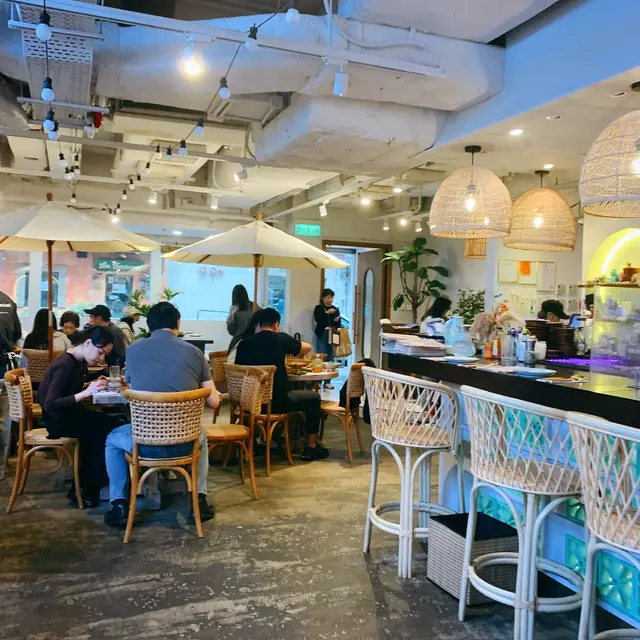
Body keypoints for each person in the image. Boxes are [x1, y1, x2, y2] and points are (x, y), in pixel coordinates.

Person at [103, 302, 220, 528]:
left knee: (112, 440)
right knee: (202, 436)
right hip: (185, 445)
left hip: (143, 445)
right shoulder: (195, 353)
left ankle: (119, 504)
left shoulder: (133, 350)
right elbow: (214, 402)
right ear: (178, 323)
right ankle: (199, 500)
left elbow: (132, 387)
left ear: (149, 325)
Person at [37, 326, 124, 507]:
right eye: (100, 352)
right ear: (88, 343)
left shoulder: (76, 360)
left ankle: (85, 487)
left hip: (68, 415)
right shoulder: (65, 365)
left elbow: (69, 388)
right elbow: (50, 403)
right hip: (58, 421)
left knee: (109, 424)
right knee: (110, 429)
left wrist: (92, 383)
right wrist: (85, 393)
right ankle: (87, 489)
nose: (101, 358)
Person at [236, 307, 329, 461]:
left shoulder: (243, 344)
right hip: (277, 402)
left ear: (259, 324)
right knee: (313, 398)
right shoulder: (280, 339)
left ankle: (252, 444)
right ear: (276, 324)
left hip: (248, 403)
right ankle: (311, 447)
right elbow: (307, 347)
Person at [0, 289, 21, 481]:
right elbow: (16, 335)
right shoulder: (7, 301)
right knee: (4, 422)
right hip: (5, 368)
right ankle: (0, 468)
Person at [227, 285, 258, 351]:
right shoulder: (255, 306)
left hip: (238, 344)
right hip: (254, 343)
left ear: (234, 296)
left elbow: (231, 331)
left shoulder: (234, 309)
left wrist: (230, 319)